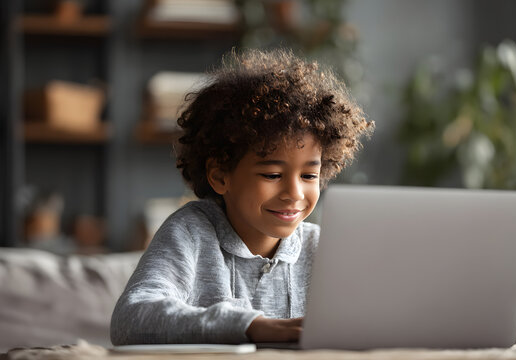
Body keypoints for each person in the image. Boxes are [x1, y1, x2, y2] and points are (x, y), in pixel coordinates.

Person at [110, 48, 373, 345]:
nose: (294, 194)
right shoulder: (191, 232)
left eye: (309, 176)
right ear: (221, 175)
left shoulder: (323, 248)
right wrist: (250, 326)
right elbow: (130, 318)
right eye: (272, 175)